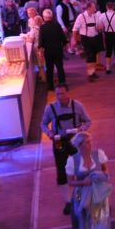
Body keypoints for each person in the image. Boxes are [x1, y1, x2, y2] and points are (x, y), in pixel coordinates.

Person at [40, 85, 92, 215]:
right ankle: (67, 201)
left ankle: (82, 198)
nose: (60, 96)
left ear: (68, 93)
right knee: (61, 170)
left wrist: (81, 129)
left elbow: (88, 121)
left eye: (62, 93)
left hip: (76, 140)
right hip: (59, 141)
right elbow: (43, 124)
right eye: (57, 94)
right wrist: (49, 133)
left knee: (81, 168)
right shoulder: (50, 108)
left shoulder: (78, 105)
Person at [67, 132, 112, 229]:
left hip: (99, 194)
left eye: (90, 141)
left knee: (101, 224)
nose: (90, 144)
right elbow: (70, 181)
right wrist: (83, 182)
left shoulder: (99, 155)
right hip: (81, 195)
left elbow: (106, 171)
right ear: (80, 145)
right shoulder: (72, 161)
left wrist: (102, 176)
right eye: (87, 142)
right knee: (89, 224)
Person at [72, 1, 105, 81]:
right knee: (89, 56)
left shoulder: (95, 16)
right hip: (86, 38)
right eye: (93, 7)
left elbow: (99, 26)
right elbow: (75, 28)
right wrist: (73, 39)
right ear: (89, 8)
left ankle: (93, 72)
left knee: (94, 55)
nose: (95, 9)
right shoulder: (81, 16)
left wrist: (100, 27)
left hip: (95, 37)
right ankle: (89, 74)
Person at [38, 8, 68, 90]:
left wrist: (40, 50)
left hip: (48, 51)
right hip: (58, 50)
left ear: (44, 17)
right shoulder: (57, 25)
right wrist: (63, 46)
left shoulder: (42, 27)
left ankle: (50, 86)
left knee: (50, 68)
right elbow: (64, 38)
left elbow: (41, 41)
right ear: (51, 16)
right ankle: (62, 84)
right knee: (60, 67)